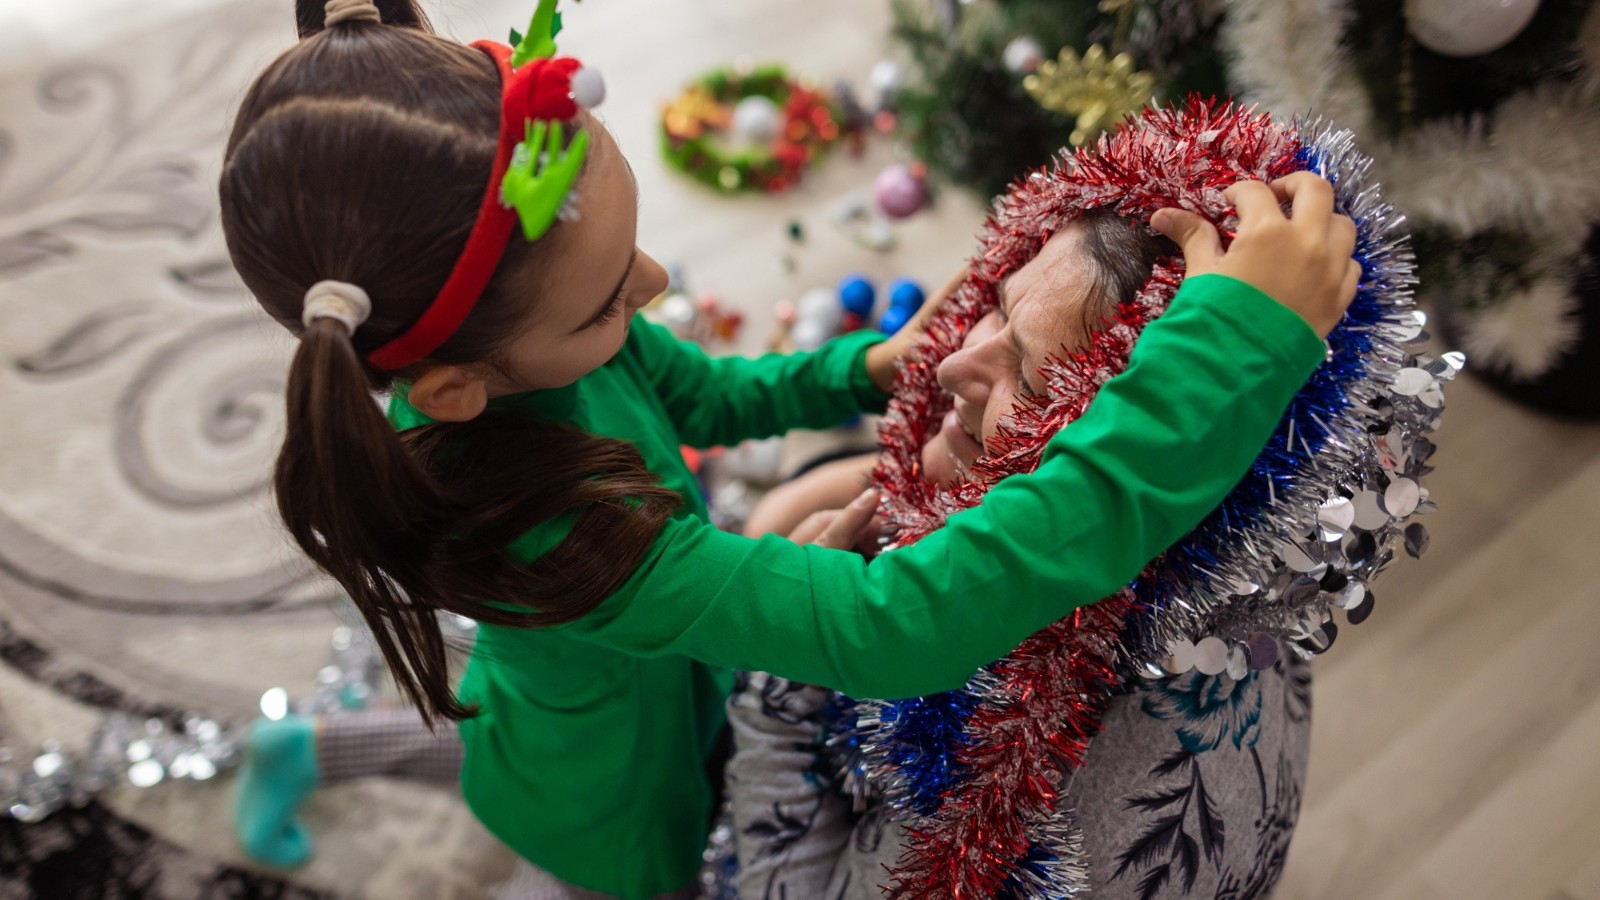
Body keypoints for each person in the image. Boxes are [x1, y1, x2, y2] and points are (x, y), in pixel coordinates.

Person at [218, 0, 1358, 895]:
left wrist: (857, 368)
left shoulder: (527, 355)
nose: (655, 288)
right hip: (613, 817)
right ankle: (331, 763)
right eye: (609, 300)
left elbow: (705, 392)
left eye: (633, 256)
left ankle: (303, 751)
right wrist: (1226, 353)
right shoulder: (555, 534)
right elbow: (895, 625)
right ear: (459, 388)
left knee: (513, 727)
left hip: (588, 695)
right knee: (540, 793)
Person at [725, 213, 1316, 899]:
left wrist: (780, 670)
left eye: (1031, 381)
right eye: (999, 309)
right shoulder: (1237, 540)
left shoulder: (1009, 785)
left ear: (1106, 483)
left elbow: (784, 886)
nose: (950, 363)